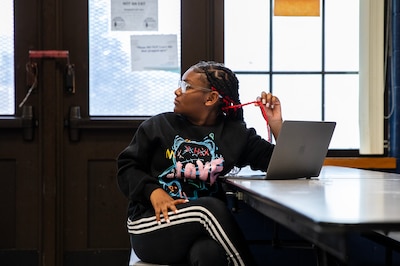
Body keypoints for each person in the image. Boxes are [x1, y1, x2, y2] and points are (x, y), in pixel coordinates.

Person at [117, 61, 283, 265]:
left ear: (211, 98)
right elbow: (126, 167)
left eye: (187, 86)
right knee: (208, 208)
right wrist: (153, 191)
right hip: (152, 224)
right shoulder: (159, 126)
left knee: (209, 254)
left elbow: (284, 164)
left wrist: (276, 124)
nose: (178, 91)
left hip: (201, 226)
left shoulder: (235, 134)